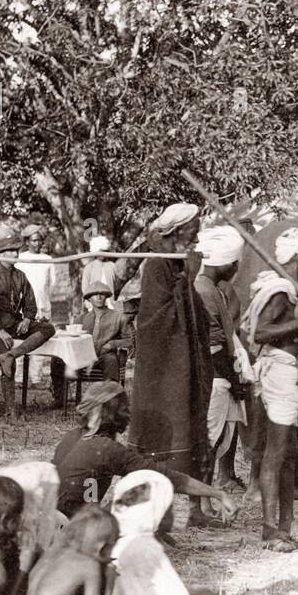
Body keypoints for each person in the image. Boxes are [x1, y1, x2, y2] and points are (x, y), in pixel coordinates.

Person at [129, 203, 215, 526]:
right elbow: (155, 320)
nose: (198, 235)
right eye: (193, 229)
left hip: (186, 367)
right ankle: (160, 517)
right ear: (178, 230)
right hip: (163, 374)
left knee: (195, 431)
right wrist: (189, 277)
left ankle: (198, 511)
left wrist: (188, 278)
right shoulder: (156, 266)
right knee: (163, 444)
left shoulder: (178, 263)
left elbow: (193, 311)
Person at [243, 222, 298, 551]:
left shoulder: (290, 290)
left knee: (288, 452)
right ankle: (268, 529)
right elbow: (260, 333)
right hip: (279, 373)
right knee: (276, 453)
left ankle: (285, 526)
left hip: (290, 374)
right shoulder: (278, 291)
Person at [94, 469, 233, 595]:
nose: (171, 515)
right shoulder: (144, 545)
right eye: (168, 508)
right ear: (155, 510)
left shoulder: (112, 535)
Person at [53, 381, 234, 518]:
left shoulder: (71, 436)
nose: (128, 415)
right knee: (146, 487)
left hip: (54, 519)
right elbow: (166, 477)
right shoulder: (106, 448)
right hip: (75, 526)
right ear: (110, 412)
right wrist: (218, 493)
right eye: (124, 409)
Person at [0, 227, 63, 402]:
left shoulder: (20, 276)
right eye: (8, 250)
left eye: (15, 249)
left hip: (14, 324)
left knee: (48, 328)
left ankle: (13, 354)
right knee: (7, 364)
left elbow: (30, 303)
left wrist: (27, 319)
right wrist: (0, 331)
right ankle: (11, 410)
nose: (13, 253)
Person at [194, 226, 249, 491]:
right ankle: (201, 503)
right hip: (216, 378)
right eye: (235, 262)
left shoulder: (212, 288)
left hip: (222, 376)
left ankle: (206, 499)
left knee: (216, 441)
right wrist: (234, 379)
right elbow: (212, 348)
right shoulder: (203, 291)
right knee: (210, 442)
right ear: (225, 263)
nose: (237, 267)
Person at [81, 280, 127, 382]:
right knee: (58, 361)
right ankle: (59, 396)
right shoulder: (82, 319)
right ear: (89, 298)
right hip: (83, 358)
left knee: (111, 360)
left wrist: (112, 344)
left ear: (106, 296)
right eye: (95, 295)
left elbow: (129, 340)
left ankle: (109, 395)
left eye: (102, 294)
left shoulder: (118, 317)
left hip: (105, 357)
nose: (99, 297)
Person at [15, 223, 56, 323]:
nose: (37, 243)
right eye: (34, 241)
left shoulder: (47, 259)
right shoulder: (20, 258)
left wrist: (44, 297)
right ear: (27, 242)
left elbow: (52, 283)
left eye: (39, 240)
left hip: (43, 306)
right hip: (25, 307)